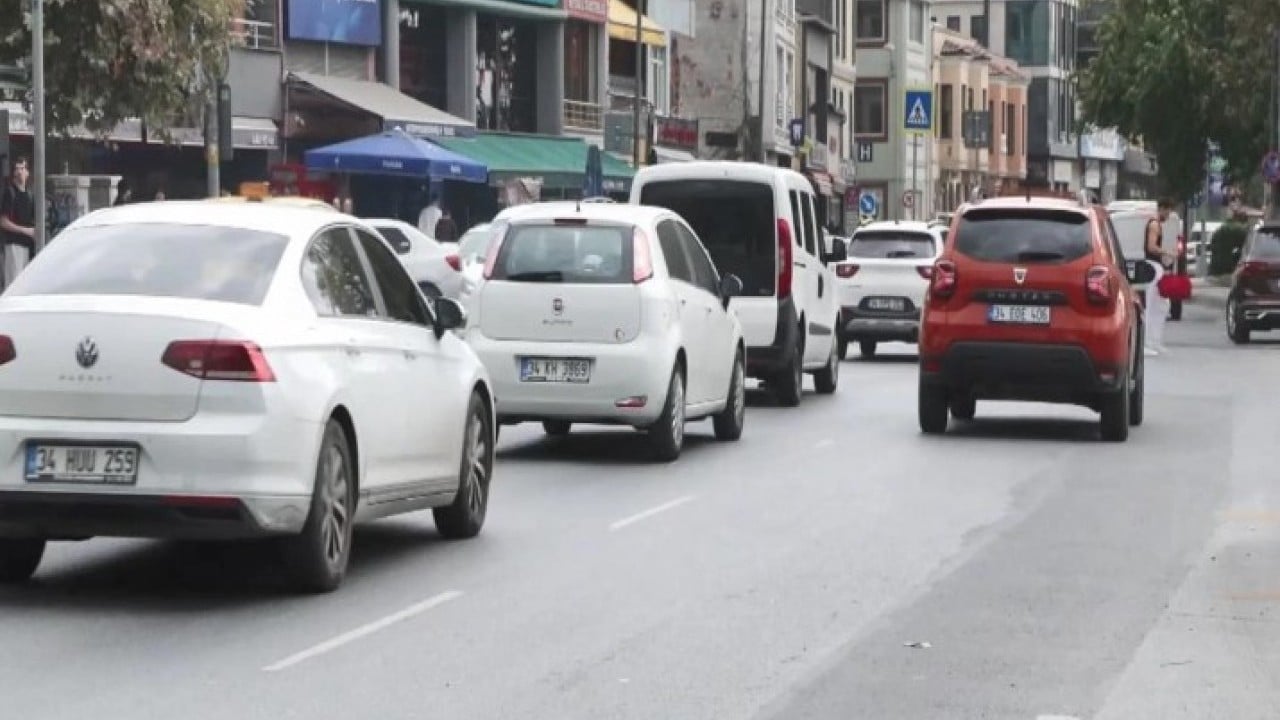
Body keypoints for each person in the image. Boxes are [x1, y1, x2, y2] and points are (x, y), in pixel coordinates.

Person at [1143, 198, 1177, 356]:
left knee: (1162, 305)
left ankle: (1155, 340)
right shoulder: (1154, 225)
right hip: (1152, 267)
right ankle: (1148, 342)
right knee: (1152, 305)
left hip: (1156, 266)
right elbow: (1151, 247)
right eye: (1168, 211)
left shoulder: (1157, 225)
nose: (1169, 214)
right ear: (1162, 209)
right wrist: (1167, 252)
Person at [0, 156, 36, 289]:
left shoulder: (30, 195)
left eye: (23, 168)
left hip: (28, 246)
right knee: (14, 284)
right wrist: (25, 230)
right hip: (14, 245)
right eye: (17, 168)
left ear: (27, 172)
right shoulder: (10, 193)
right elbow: (3, 221)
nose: (20, 171)